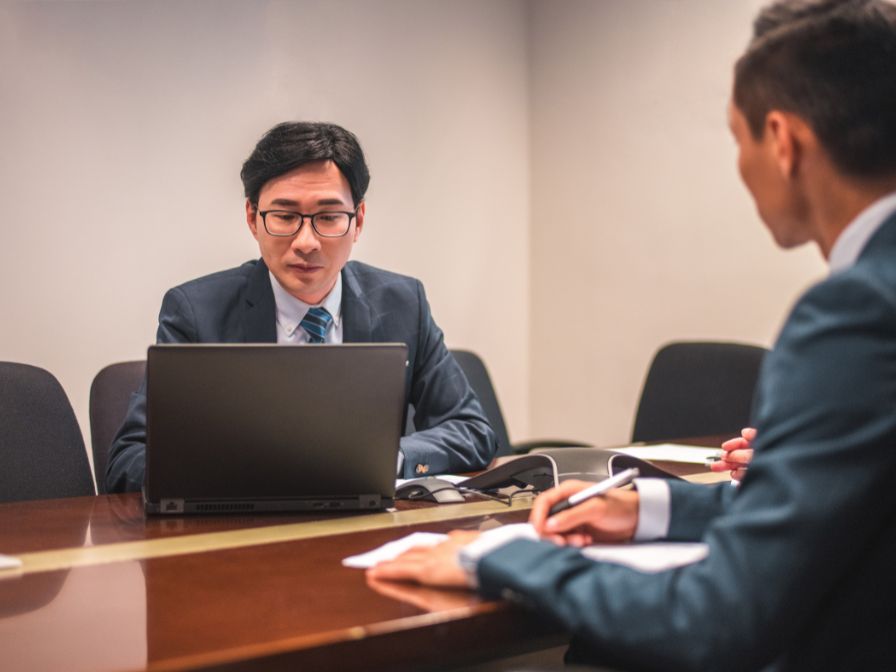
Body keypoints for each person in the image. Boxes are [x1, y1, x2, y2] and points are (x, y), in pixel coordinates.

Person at [368, 1, 896, 669]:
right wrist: (651, 506)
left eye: (739, 141)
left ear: (784, 142)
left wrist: (497, 554)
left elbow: (721, 615)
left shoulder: (852, 311)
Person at [105, 122, 496, 493]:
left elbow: (471, 430)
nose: (306, 241)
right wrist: (248, 468)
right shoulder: (196, 312)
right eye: (285, 216)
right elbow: (129, 461)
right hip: (244, 535)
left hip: (368, 532)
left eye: (328, 217)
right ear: (252, 219)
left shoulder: (402, 304)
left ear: (357, 221)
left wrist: (388, 459)